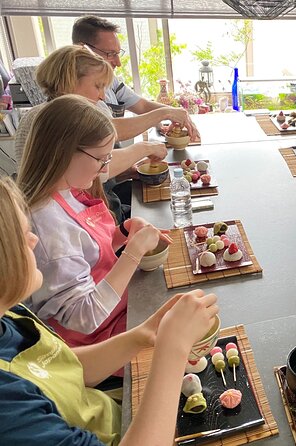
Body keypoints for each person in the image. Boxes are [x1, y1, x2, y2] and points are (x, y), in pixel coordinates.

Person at [0, 175, 219, 445]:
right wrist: (173, 348)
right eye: (22, 236)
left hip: (118, 415)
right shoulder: (7, 409)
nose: (34, 240)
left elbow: (65, 367)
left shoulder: (10, 315)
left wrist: (143, 333)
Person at [17, 95, 171, 349]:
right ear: (62, 153)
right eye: (102, 158)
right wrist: (132, 254)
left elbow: (87, 255)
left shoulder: (69, 190)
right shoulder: (46, 225)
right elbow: (84, 317)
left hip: (118, 309)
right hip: (97, 341)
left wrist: (122, 233)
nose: (105, 169)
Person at [14, 45, 171, 222]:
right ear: (70, 81)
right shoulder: (55, 119)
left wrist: (126, 172)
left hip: (99, 214)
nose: (103, 96)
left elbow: (91, 172)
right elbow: (92, 171)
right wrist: (144, 148)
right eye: (98, 86)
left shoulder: (66, 112)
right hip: (81, 221)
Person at [71, 15, 200, 141]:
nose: (118, 63)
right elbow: (108, 131)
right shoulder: (73, 92)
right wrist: (166, 113)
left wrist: (177, 113)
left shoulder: (110, 80)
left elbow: (142, 105)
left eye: (117, 53)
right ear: (84, 49)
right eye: (110, 54)